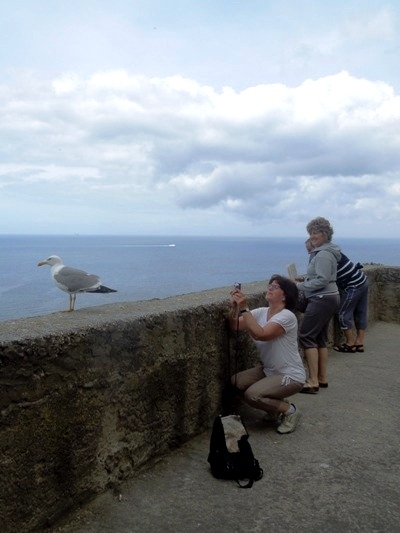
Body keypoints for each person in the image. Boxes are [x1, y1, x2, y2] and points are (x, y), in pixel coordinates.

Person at [228, 274, 306, 435]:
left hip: (290, 375)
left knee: (253, 395)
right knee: (236, 381)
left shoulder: (287, 316)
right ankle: (273, 408)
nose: (270, 288)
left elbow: (260, 334)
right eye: (269, 285)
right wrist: (235, 307)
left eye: (275, 287)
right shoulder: (262, 312)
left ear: (285, 296)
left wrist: (244, 308)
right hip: (269, 370)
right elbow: (235, 325)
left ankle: (290, 410)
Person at [296, 217, 341, 393]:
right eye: (311, 233)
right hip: (329, 297)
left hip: (322, 298)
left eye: (316, 232)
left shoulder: (323, 254)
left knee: (306, 336)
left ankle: (312, 380)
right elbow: (323, 276)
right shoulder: (327, 252)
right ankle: (322, 378)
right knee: (320, 338)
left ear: (325, 234)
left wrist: (299, 286)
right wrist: (306, 278)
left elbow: (322, 280)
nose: (313, 236)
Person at [333, 253, 368, 353]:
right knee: (361, 312)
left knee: (342, 313)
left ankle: (350, 343)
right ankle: (359, 342)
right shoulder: (335, 252)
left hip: (354, 285)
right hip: (362, 280)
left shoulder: (325, 256)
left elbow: (324, 277)